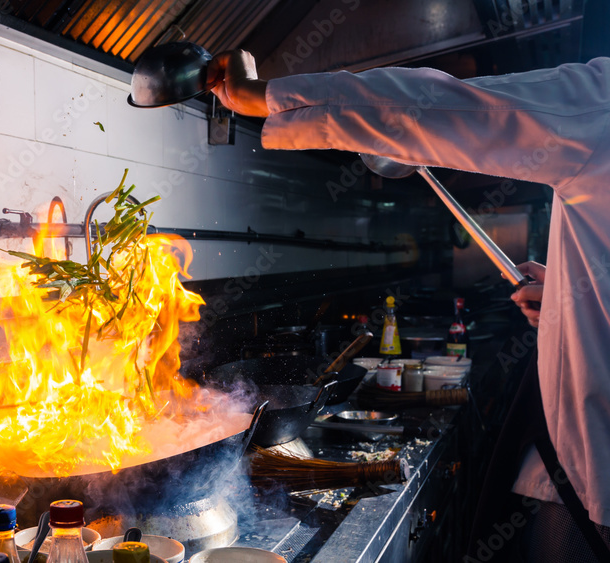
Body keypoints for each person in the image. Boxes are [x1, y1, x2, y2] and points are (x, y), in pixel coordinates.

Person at [207, 51, 610, 561]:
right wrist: (572, 295)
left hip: (595, 483)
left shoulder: (604, 104)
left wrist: (263, 96)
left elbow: (448, 109)